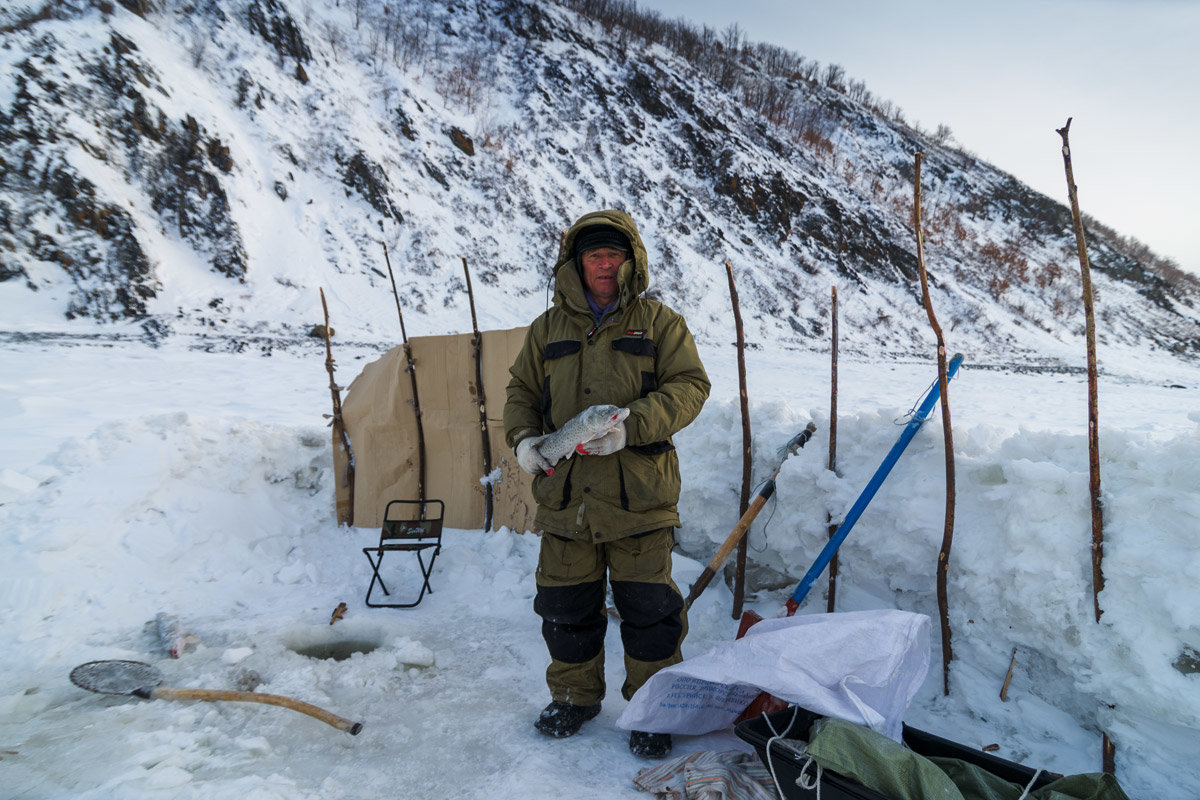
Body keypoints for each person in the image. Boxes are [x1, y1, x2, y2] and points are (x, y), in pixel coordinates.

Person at [503, 209, 710, 759]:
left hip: (638, 496)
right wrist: (524, 439)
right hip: (567, 498)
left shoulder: (660, 323)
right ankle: (573, 697)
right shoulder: (547, 329)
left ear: (630, 262)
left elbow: (690, 387)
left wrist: (631, 430)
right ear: (575, 263)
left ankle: (650, 708)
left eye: (613, 254)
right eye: (593, 254)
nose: (603, 263)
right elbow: (521, 391)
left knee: (651, 612)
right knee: (565, 607)